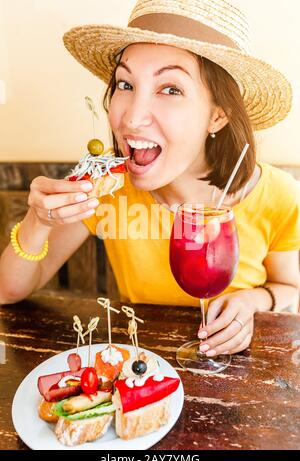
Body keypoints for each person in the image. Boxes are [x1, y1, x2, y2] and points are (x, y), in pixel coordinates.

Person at [0, 0, 299, 358]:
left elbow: (290, 289)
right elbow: (7, 291)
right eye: (125, 84)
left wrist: (256, 299)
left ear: (218, 116)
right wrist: (38, 221)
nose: (132, 118)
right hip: (142, 369)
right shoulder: (107, 191)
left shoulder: (278, 196)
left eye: (170, 89)